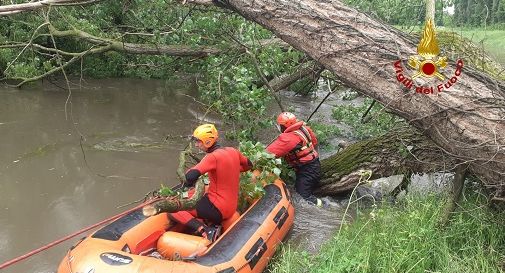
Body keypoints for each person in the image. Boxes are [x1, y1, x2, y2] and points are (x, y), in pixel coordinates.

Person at [169, 123, 252, 242]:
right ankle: (212, 225)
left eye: (199, 141)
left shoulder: (213, 157)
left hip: (217, 208)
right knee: (197, 196)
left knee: (174, 208)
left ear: (208, 142)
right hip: (231, 207)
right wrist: (230, 171)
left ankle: (205, 230)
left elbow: (190, 177)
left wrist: (187, 180)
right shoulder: (233, 151)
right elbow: (249, 165)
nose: (196, 145)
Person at [266, 112, 323, 207]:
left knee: (302, 197)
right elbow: (314, 142)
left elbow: (268, 153)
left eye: (280, 125)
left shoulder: (288, 138)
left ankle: (324, 205)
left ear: (284, 126)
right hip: (313, 164)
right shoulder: (304, 129)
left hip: (307, 170)